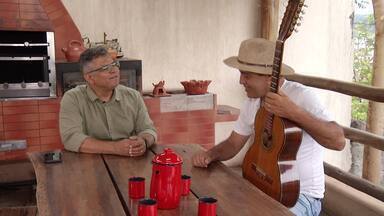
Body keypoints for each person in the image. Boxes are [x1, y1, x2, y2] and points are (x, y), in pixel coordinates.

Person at [191, 38, 345, 216]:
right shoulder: (253, 100)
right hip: (260, 187)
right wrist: (210, 154)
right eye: (241, 74)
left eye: (247, 75)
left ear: (272, 78)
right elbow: (233, 143)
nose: (241, 81)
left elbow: (338, 141)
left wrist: (293, 112)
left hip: (300, 196)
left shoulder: (302, 96)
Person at [59, 46, 157, 157]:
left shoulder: (133, 96)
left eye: (114, 64)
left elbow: (148, 130)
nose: (114, 70)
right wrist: (115, 148)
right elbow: (71, 138)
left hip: (130, 160)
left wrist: (143, 141)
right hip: (90, 163)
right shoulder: (73, 98)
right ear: (90, 77)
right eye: (105, 68)